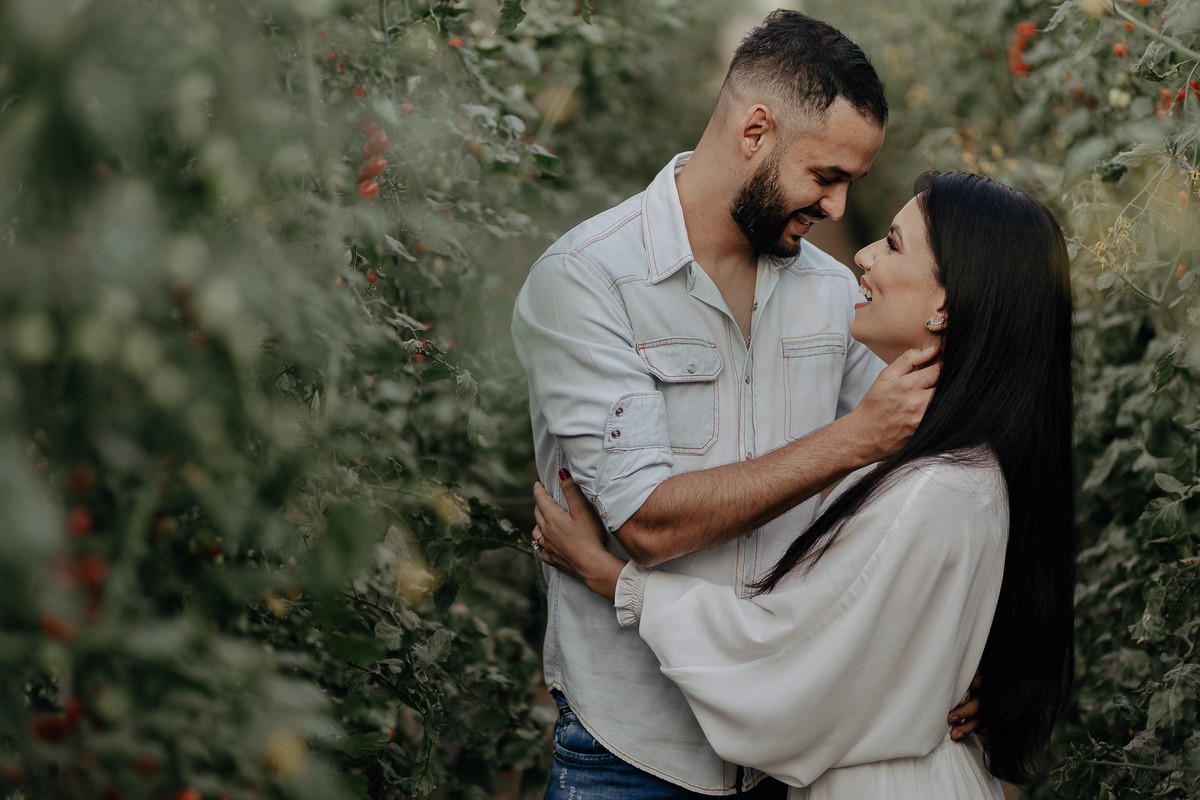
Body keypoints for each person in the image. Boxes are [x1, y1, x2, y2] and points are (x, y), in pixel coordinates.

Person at [512, 10, 978, 799]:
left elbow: (922, 483)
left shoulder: (837, 298)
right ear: (756, 131)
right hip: (634, 752)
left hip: (794, 749)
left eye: (851, 186)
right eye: (827, 176)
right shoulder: (588, 282)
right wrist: (850, 439)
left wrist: (957, 656)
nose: (836, 209)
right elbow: (648, 524)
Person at [531, 171, 1077, 799]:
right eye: (828, 174)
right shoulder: (955, 459)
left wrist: (612, 578)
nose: (861, 252)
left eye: (893, 244)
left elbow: (789, 656)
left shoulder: (935, 483)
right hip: (651, 744)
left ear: (945, 306)